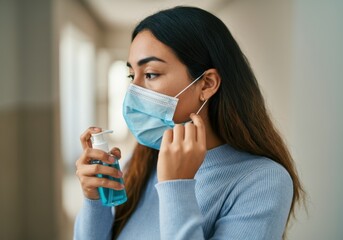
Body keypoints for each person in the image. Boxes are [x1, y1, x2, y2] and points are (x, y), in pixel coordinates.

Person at [74, 6, 304, 240]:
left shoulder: (264, 181)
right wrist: (94, 200)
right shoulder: (143, 160)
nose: (133, 92)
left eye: (151, 74)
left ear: (206, 84)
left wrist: (177, 185)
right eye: (132, 76)